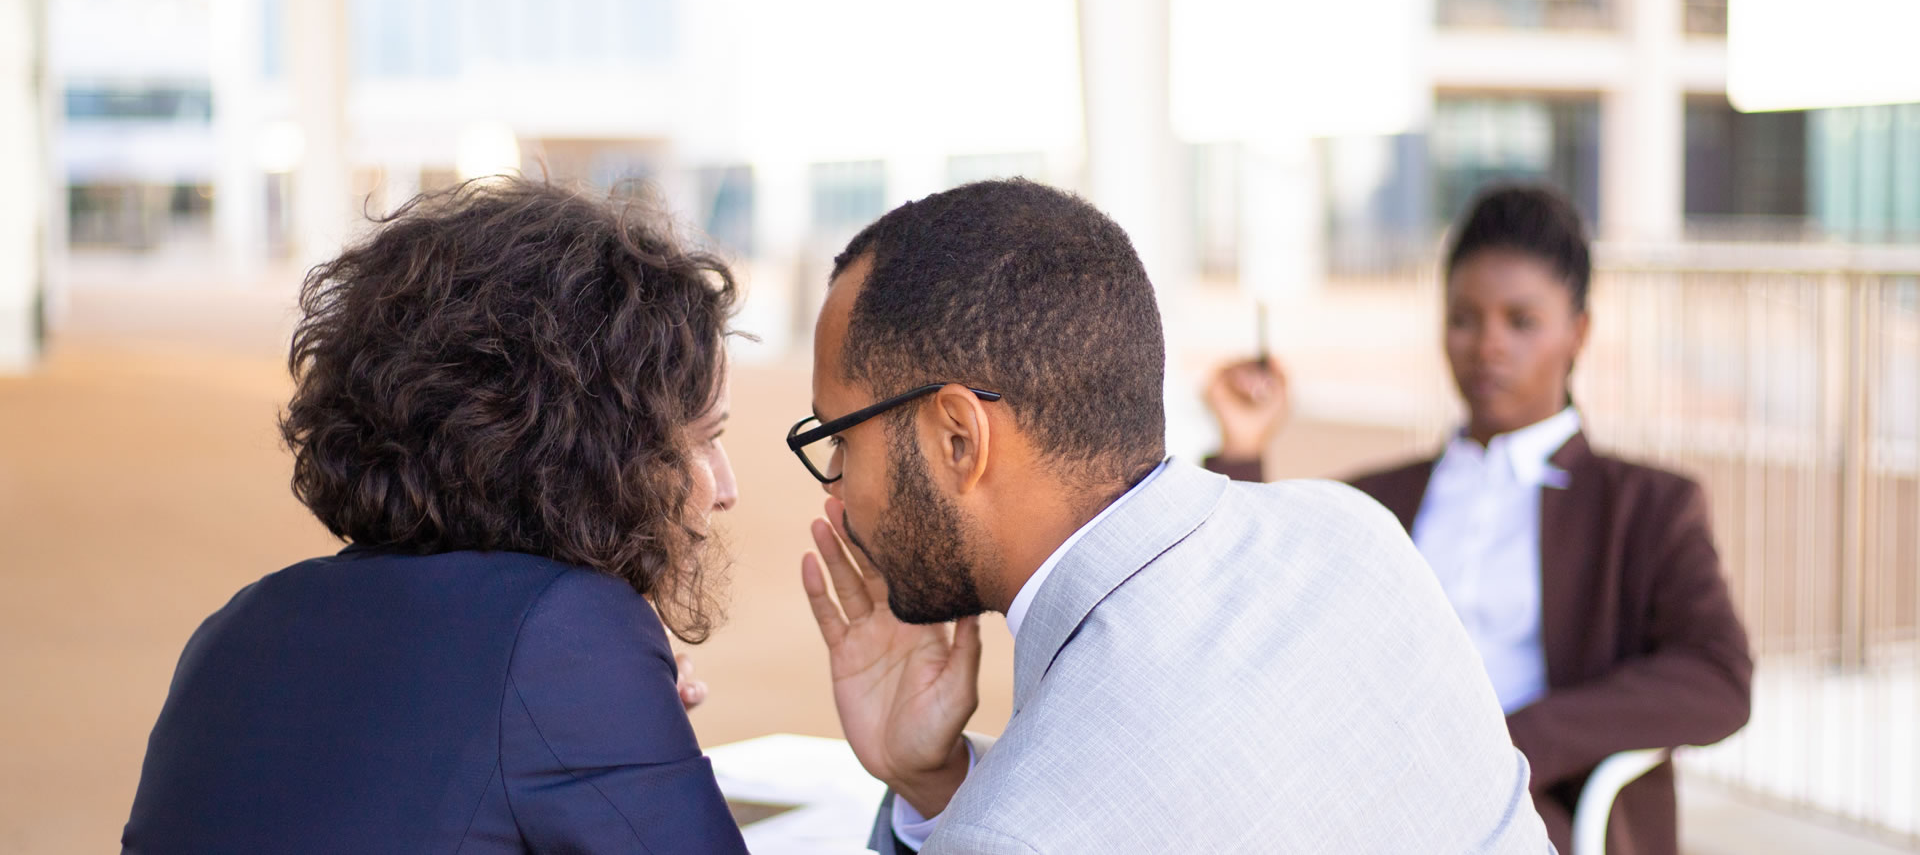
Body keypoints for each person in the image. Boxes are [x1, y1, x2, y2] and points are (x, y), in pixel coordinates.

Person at [788, 179, 1553, 854]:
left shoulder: (1017, 830)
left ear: (959, 437)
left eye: (840, 437)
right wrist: (935, 782)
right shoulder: (1354, 534)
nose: (835, 486)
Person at [122, 178, 751, 854]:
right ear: (596, 450)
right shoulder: (567, 634)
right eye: (705, 438)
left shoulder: (237, 627)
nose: (726, 486)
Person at [1204, 183, 1753, 855]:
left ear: (1577, 332)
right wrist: (1242, 446)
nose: (1487, 346)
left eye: (1520, 321)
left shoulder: (1646, 506)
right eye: (1464, 318)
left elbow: (1718, 677)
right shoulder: (1379, 502)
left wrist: (1514, 740)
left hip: (1536, 803)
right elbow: (1253, 606)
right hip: (1373, 791)